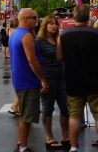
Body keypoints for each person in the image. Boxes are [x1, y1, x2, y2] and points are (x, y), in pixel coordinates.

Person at [57, 4, 98, 151]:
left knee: (74, 116)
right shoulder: (95, 33)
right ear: (88, 17)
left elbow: (59, 57)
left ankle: (73, 147)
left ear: (74, 16)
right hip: (95, 81)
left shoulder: (64, 35)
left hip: (73, 81)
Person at [9, 8, 49, 152]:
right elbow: (32, 60)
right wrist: (43, 80)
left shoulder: (15, 34)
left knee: (25, 115)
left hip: (20, 79)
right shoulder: (25, 36)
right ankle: (23, 147)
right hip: (28, 81)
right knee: (26, 117)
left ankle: (22, 143)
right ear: (26, 19)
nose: (37, 21)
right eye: (35, 18)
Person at [35, 15, 69, 149]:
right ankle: (49, 137)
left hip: (62, 76)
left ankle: (65, 136)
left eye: (55, 24)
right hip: (47, 76)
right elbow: (35, 61)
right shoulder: (38, 41)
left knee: (65, 107)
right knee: (48, 108)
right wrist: (41, 80)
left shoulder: (59, 39)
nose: (54, 26)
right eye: (51, 24)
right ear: (45, 26)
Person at [8, 18, 20, 116]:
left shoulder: (12, 32)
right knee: (23, 88)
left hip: (14, 61)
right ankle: (15, 105)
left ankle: (18, 106)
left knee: (20, 87)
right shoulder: (18, 33)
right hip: (18, 62)